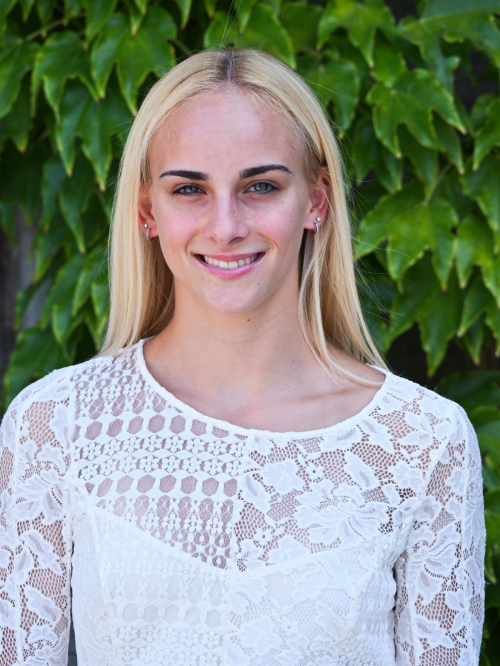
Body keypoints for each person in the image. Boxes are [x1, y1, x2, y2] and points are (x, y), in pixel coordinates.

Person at [0, 47, 485, 666]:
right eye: (189, 189)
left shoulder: (423, 442)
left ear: (316, 200)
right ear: (148, 210)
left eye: (260, 186)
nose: (225, 225)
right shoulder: (55, 425)